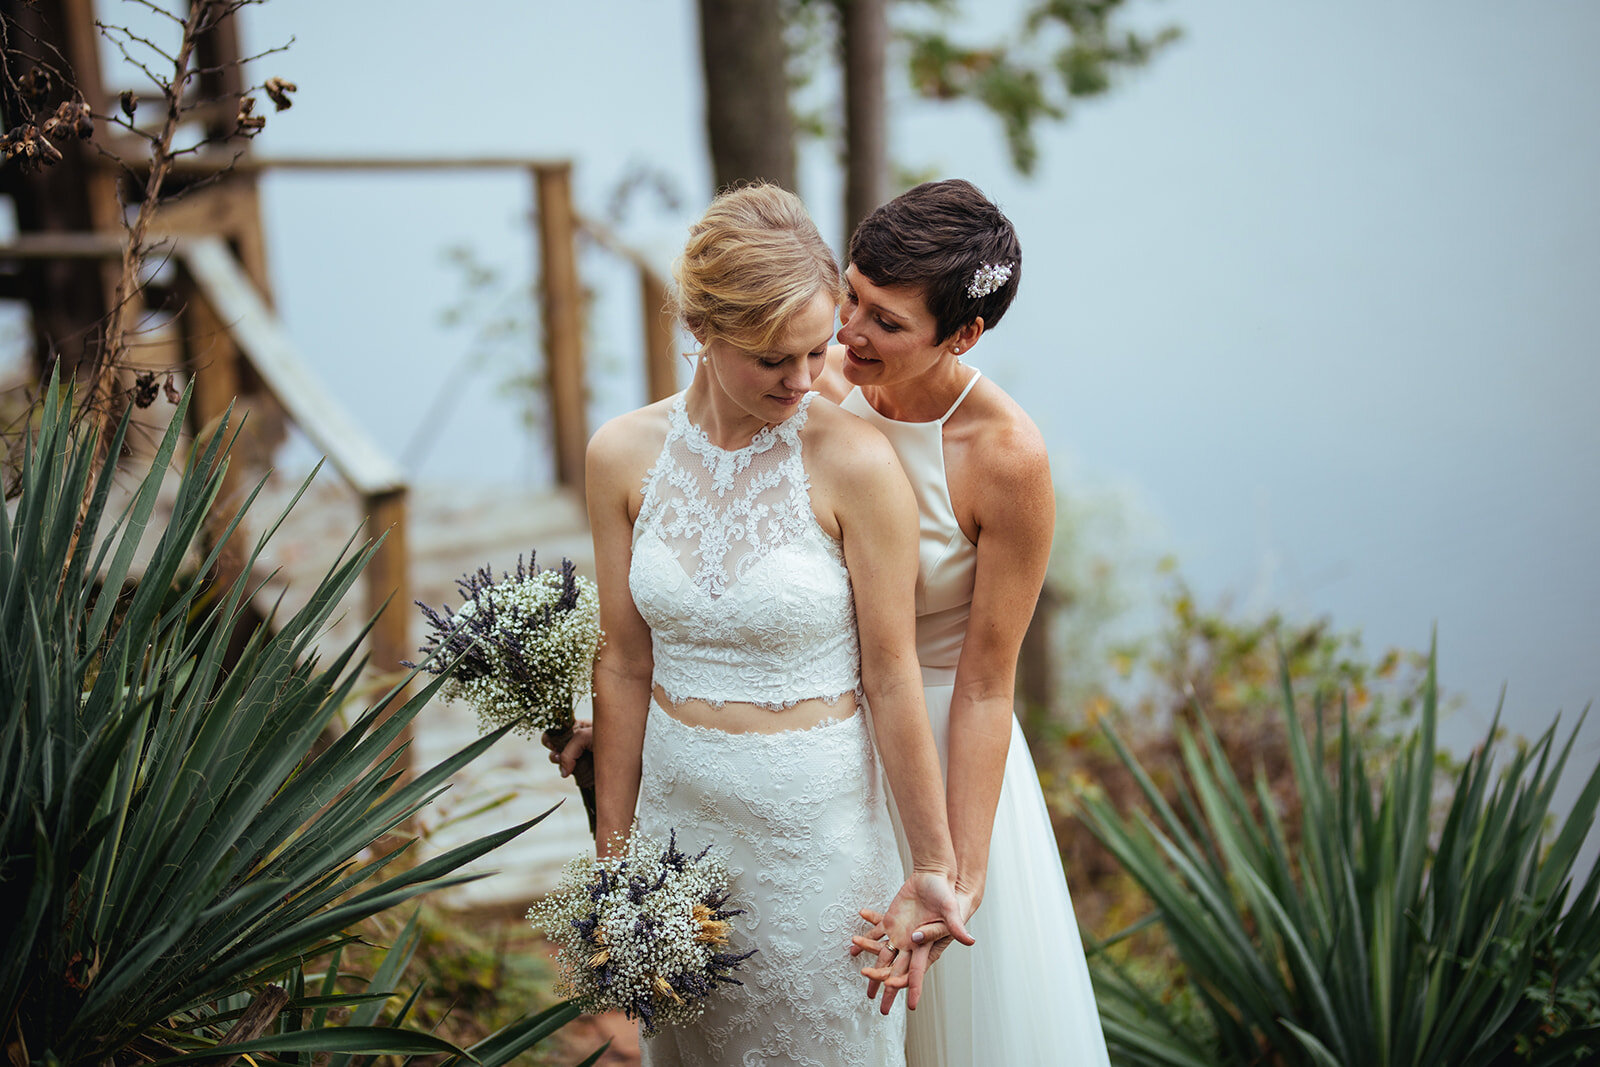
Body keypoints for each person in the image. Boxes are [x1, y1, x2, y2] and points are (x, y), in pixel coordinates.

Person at [581, 182, 970, 1066]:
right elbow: (624, 663)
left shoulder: (857, 465)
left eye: (815, 349)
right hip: (680, 834)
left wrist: (935, 863)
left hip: (817, 846)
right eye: (771, 360)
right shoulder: (620, 455)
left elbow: (892, 673)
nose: (803, 381)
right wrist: (615, 869)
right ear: (701, 330)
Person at [817, 178, 1111, 1066]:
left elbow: (988, 682)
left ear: (966, 333)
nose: (849, 333)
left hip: (945, 746)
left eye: (886, 322)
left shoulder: (1005, 457)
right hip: (814, 737)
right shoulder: (815, 383)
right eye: (851, 296)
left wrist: (962, 871)